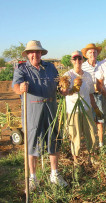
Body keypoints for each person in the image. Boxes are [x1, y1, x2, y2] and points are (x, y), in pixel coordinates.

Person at [12, 40, 67, 191]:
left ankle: (54, 174)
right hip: (32, 109)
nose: (34, 54)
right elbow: (16, 87)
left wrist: (63, 89)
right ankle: (33, 178)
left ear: (41, 53)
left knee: (53, 140)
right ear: (28, 54)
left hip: (51, 108)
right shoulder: (22, 69)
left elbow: (58, 87)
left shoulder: (51, 68)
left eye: (37, 52)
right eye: (31, 52)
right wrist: (20, 88)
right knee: (32, 144)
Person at [60, 50, 102, 165]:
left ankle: (92, 156)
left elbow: (90, 94)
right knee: (75, 135)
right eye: (75, 59)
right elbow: (63, 92)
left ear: (82, 60)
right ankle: (76, 159)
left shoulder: (87, 75)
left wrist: (96, 108)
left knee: (91, 133)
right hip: (73, 111)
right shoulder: (67, 75)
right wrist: (72, 90)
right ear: (72, 61)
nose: (77, 61)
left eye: (79, 58)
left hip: (87, 109)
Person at [81, 43, 104, 148]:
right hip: (87, 96)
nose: (92, 54)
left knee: (100, 119)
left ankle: (101, 142)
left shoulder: (102, 65)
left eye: (94, 52)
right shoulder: (83, 66)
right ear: (86, 54)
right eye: (90, 52)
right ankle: (91, 141)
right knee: (90, 120)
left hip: (99, 95)